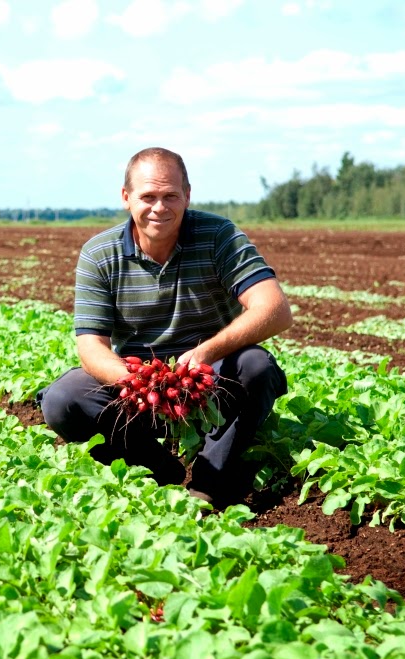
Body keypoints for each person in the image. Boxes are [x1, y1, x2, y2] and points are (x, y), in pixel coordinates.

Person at [36, 147, 293, 508]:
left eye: (171, 195)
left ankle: (210, 480)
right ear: (126, 198)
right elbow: (91, 346)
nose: (160, 207)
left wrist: (205, 353)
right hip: (138, 388)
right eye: (148, 197)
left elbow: (275, 309)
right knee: (63, 399)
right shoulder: (99, 254)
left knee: (256, 367)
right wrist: (136, 382)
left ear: (187, 195)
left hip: (209, 379)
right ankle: (155, 467)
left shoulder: (218, 235)